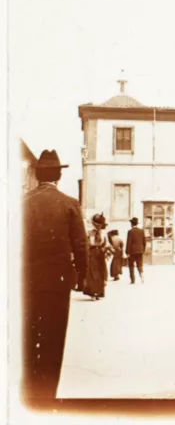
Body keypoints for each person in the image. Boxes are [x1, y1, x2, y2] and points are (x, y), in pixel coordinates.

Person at [23, 150, 88, 406]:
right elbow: (80, 245)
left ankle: (27, 392)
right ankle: (47, 395)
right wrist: (82, 277)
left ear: (37, 175)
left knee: (27, 336)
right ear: (59, 175)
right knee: (53, 336)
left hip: (24, 282)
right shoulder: (70, 203)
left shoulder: (20, 202)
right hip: (58, 283)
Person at [83, 214, 111, 300]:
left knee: (100, 272)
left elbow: (106, 243)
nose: (99, 227)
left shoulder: (103, 233)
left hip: (100, 253)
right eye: (98, 225)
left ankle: (99, 292)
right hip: (92, 253)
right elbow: (87, 243)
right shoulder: (90, 232)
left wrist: (107, 250)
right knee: (93, 273)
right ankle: (93, 293)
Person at [126, 217, 146, 284]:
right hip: (140, 251)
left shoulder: (130, 231)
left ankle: (132, 280)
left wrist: (127, 252)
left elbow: (129, 242)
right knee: (139, 265)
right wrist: (143, 250)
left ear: (131, 224)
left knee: (131, 266)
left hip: (132, 251)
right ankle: (142, 275)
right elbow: (144, 242)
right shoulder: (141, 231)